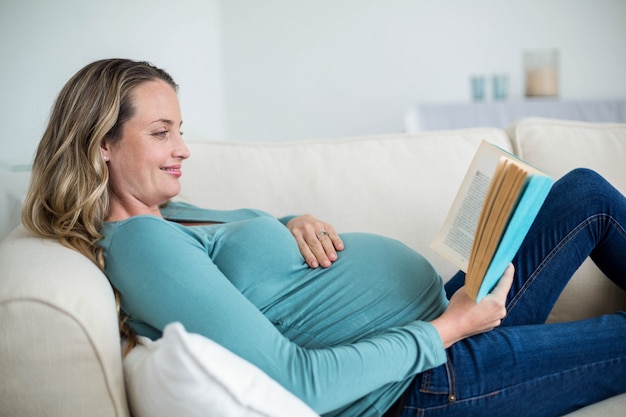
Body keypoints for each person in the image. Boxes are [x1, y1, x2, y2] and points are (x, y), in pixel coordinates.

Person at [22, 58, 626, 417]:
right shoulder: (139, 245)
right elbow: (293, 378)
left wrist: (292, 221)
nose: (182, 149)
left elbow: (249, 259)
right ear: (102, 142)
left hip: (444, 328)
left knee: (583, 193)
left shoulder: (170, 213)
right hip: (422, 384)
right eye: (160, 132)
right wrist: (450, 328)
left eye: (180, 129)